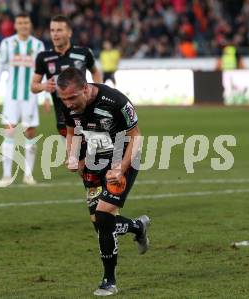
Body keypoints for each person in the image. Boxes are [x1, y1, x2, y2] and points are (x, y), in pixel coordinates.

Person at [57, 67, 150, 296]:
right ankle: (137, 227)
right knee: (100, 224)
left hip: (123, 160)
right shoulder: (68, 105)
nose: (68, 104)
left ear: (86, 89)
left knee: (104, 215)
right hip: (93, 162)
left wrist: (121, 168)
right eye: (64, 99)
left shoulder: (115, 101)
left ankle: (109, 280)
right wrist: (72, 156)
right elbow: (72, 131)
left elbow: (136, 137)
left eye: (71, 98)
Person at [0, 12, 47, 187]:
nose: (23, 25)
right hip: (11, 98)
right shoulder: (7, 43)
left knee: (30, 134)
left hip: (30, 97)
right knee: (9, 132)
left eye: (26, 23)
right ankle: (7, 176)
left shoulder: (38, 45)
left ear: (30, 25)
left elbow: (43, 72)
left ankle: (28, 175)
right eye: (20, 23)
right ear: (15, 25)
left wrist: (45, 97)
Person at [31, 15, 102, 138]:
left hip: (87, 114)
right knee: (74, 155)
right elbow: (33, 87)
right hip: (63, 119)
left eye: (59, 30)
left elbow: (95, 72)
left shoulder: (84, 53)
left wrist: (97, 91)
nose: (55, 34)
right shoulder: (43, 57)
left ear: (69, 33)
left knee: (91, 155)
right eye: (52, 30)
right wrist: (43, 86)